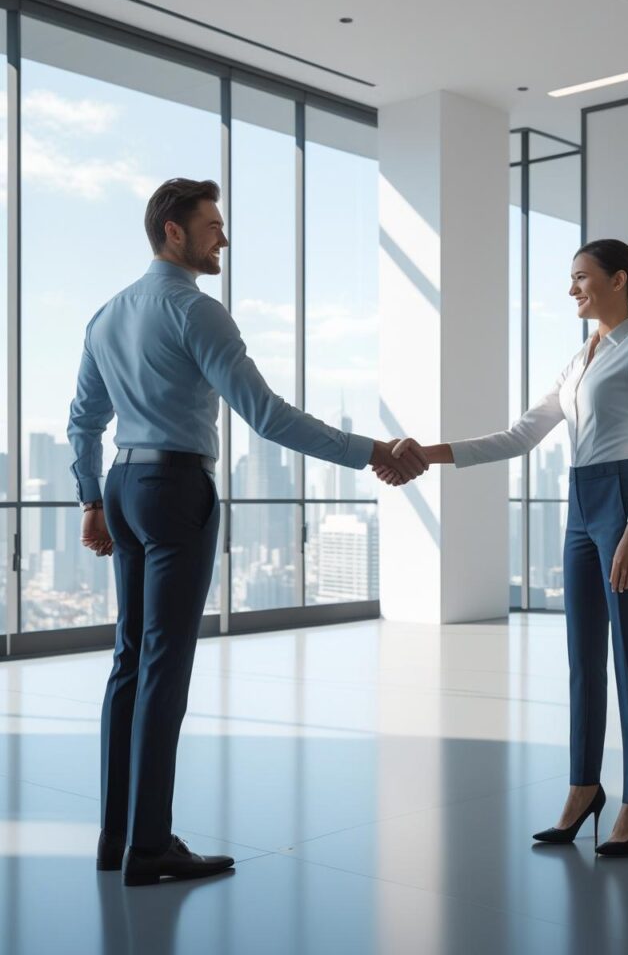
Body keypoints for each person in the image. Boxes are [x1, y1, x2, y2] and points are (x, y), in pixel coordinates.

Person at [68, 177, 424, 886]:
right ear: (174, 231)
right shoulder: (196, 313)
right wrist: (372, 450)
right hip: (174, 488)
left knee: (129, 661)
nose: (222, 237)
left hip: (124, 487)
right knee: (166, 664)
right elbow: (266, 416)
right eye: (212, 225)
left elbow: (84, 421)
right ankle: (151, 846)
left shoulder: (107, 315)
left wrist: (90, 502)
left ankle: (116, 837)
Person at [378, 239, 628, 857]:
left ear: (619, 281)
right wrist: (428, 455)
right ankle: (583, 788)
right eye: (570, 279)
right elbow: (519, 436)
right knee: (582, 659)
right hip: (582, 504)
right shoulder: (579, 361)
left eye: (581, 278)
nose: (572, 289)